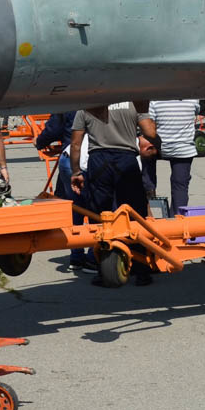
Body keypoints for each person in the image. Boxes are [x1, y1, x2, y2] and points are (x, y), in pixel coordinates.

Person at [71, 102, 158, 283]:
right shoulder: (133, 101)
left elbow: (76, 143)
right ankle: (142, 269)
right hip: (126, 159)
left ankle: (105, 269)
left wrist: (76, 172)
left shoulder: (86, 105)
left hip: (99, 161)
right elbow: (150, 133)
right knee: (136, 214)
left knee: (100, 216)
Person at [35, 111, 92, 269]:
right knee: (96, 208)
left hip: (69, 157)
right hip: (88, 158)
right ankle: (94, 255)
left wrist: (39, 142)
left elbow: (54, 128)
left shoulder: (68, 102)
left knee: (75, 208)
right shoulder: (97, 101)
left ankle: (76, 255)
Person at [144, 98, 198, 213]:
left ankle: (149, 191)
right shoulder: (193, 98)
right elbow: (196, 112)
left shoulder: (156, 99)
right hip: (183, 148)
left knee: (146, 167)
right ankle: (177, 219)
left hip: (158, 145)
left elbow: (149, 124)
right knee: (180, 186)